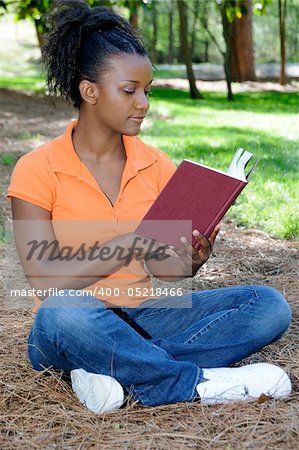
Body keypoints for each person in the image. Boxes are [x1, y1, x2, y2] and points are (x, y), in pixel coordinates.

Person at [7, 0, 292, 413]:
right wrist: (127, 243)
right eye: (129, 91)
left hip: (145, 316)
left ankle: (113, 369)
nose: (143, 103)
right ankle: (193, 383)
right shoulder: (36, 169)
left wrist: (192, 260)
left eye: (147, 91)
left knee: (267, 306)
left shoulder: (155, 164)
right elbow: (46, 279)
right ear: (89, 91)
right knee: (64, 309)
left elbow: (164, 269)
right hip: (66, 327)